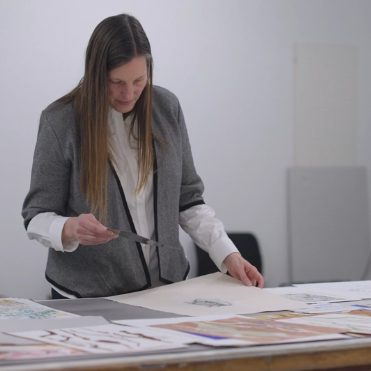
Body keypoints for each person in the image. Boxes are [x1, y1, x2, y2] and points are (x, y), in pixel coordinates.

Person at [22, 14, 264, 299]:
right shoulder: (60, 121)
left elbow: (189, 201)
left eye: (139, 80)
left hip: (166, 291)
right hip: (89, 296)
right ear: (96, 73)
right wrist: (71, 228)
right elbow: (35, 217)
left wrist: (227, 254)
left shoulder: (167, 107)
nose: (129, 93)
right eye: (117, 82)